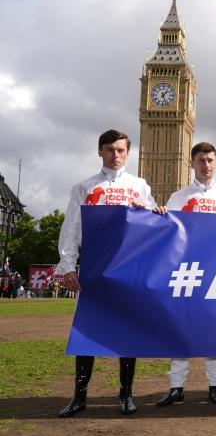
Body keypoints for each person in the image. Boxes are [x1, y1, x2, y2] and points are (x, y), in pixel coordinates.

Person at [56, 129, 156, 417]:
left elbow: (154, 225)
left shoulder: (139, 186)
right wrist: (67, 266)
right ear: (100, 151)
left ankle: (126, 394)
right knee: (86, 331)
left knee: (127, 331)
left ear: (128, 153)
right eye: (110, 149)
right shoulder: (84, 187)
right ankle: (79, 396)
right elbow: (71, 228)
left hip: (127, 269)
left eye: (121, 150)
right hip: (93, 269)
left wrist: (146, 210)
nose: (115, 155)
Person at [153, 142, 216, 406]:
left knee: (214, 330)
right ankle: (176, 387)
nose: (206, 165)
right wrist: (159, 215)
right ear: (191, 163)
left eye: (210, 160)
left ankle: (215, 385)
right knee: (180, 329)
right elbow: (168, 235)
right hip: (186, 271)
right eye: (201, 160)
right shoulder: (178, 198)